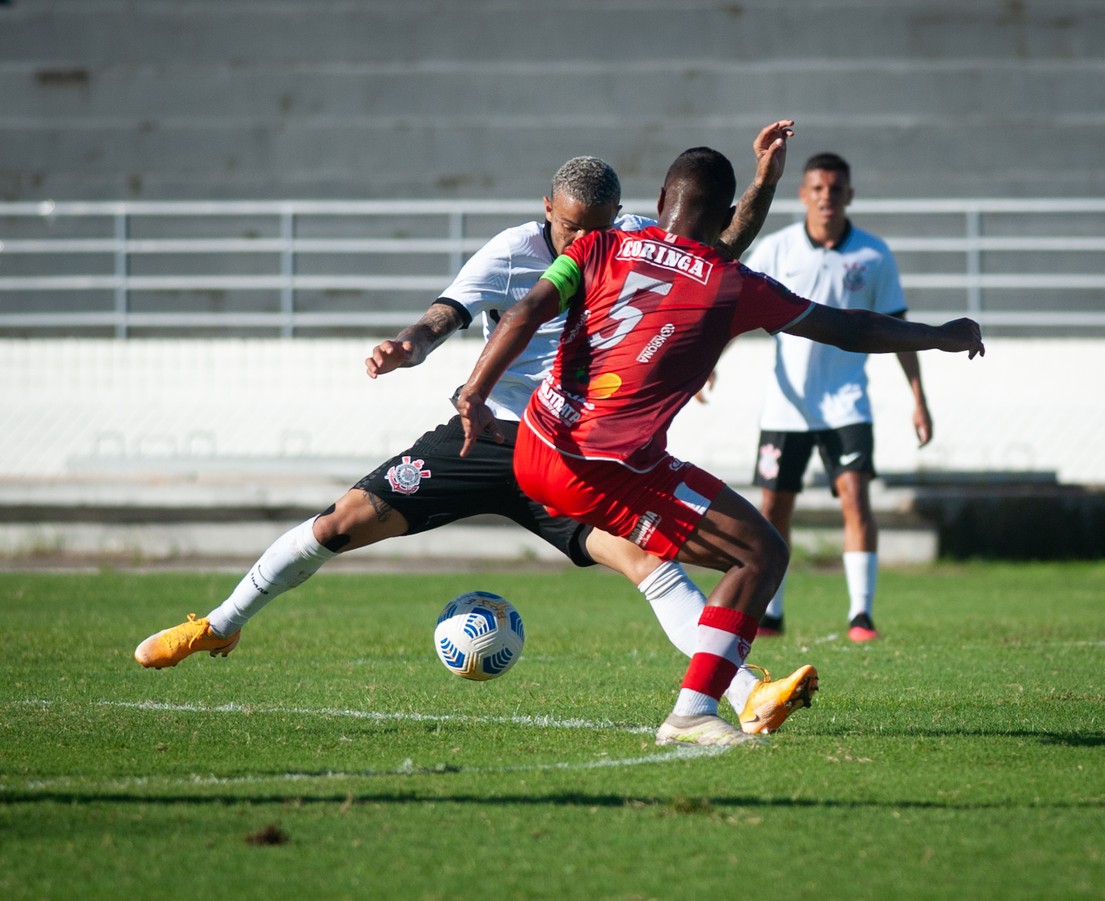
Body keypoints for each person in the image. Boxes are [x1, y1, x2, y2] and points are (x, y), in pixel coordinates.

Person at [134, 121, 820, 738]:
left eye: (600, 224)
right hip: (486, 435)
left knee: (650, 564)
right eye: (573, 227)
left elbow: (719, 246)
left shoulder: (631, 239)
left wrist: (762, 182)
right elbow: (445, 315)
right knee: (339, 523)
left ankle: (742, 692)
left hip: (571, 453)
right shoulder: (512, 251)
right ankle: (219, 625)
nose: (586, 241)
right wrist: (408, 345)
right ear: (547, 209)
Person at [455, 147, 983, 747]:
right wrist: (937, 335)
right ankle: (692, 712)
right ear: (729, 213)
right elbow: (848, 328)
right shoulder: (733, 284)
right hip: (605, 465)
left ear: (657, 203)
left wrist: (474, 392)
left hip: (535, 447)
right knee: (761, 554)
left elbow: (522, 312)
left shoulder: (596, 246)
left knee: (680, 559)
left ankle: (727, 698)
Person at [743, 152, 927, 642]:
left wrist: (918, 397)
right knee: (773, 506)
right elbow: (730, 308)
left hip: (846, 402)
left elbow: (898, 330)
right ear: (803, 194)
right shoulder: (776, 250)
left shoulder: (872, 255)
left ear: (849, 194)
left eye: (836, 188)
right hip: (787, 404)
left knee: (855, 496)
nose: (827, 196)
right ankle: (772, 614)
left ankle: (860, 616)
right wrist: (706, 365)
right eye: (818, 188)